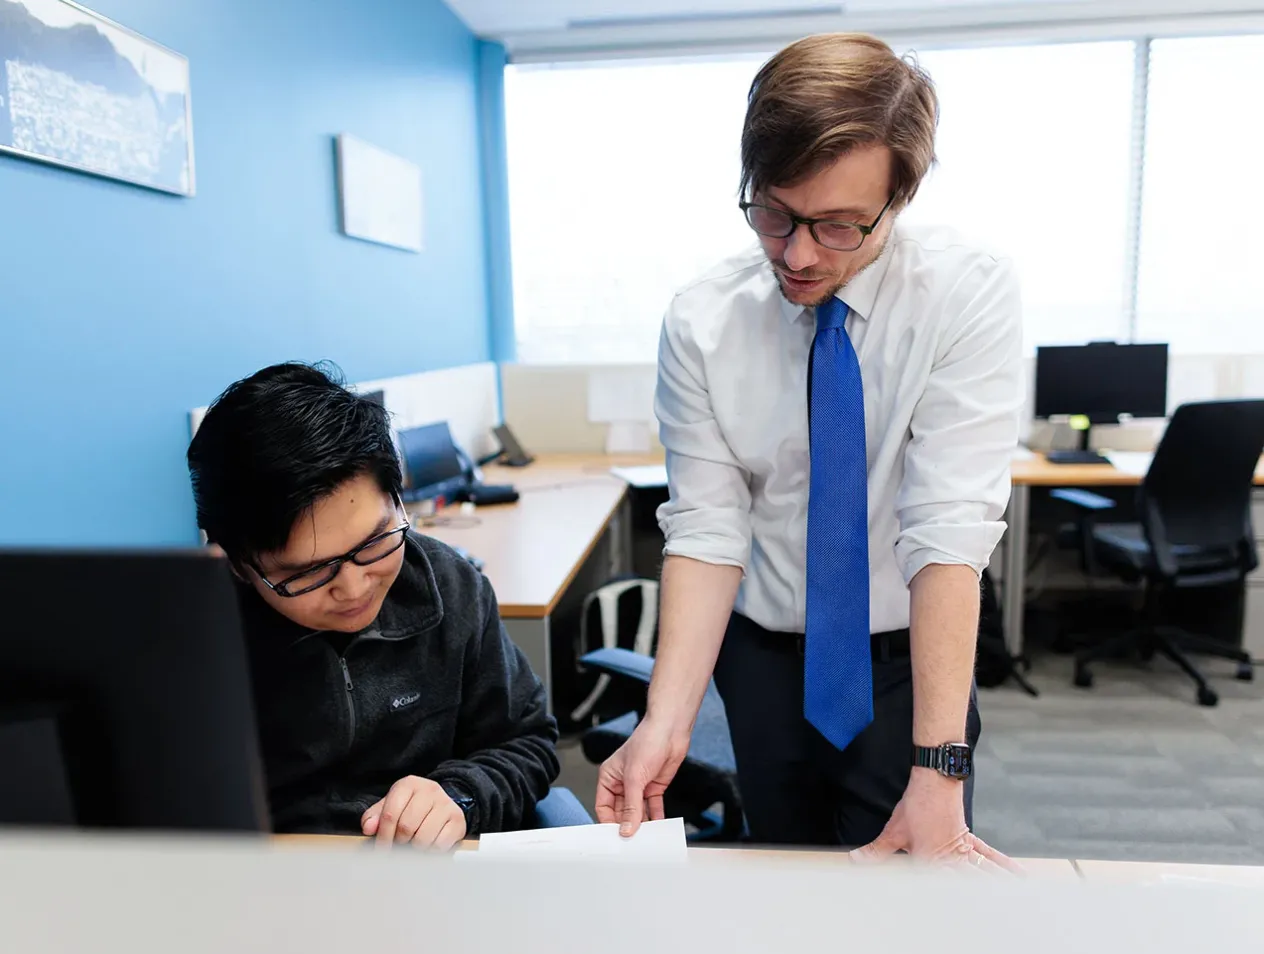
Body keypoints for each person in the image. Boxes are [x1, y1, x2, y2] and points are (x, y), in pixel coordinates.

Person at [596, 33, 1023, 868]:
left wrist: (939, 770)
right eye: (773, 214)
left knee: (907, 887)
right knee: (781, 876)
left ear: (900, 199)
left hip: (905, 663)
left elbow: (946, 532)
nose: (796, 255)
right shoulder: (702, 321)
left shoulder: (965, 294)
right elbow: (708, 531)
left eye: (837, 227)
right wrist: (665, 722)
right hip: (761, 659)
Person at [187, 361, 559, 847]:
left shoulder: (451, 586)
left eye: (375, 541)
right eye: (307, 572)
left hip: (431, 875)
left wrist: (459, 797)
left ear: (398, 500)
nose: (354, 587)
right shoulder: (194, 638)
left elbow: (526, 741)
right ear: (237, 564)